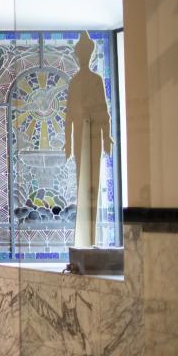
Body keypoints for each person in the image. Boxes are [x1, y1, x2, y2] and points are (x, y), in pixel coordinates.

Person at [63, 34, 112, 246]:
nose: (83, 57)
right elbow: (68, 116)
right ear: (77, 56)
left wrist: (106, 136)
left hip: (94, 136)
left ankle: (93, 236)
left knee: (94, 182)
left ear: (90, 55)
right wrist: (67, 141)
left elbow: (103, 110)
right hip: (79, 137)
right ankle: (85, 237)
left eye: (86, 53)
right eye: (80, 54)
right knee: (81, 183)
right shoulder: (74, 82)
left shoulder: (96, 80)